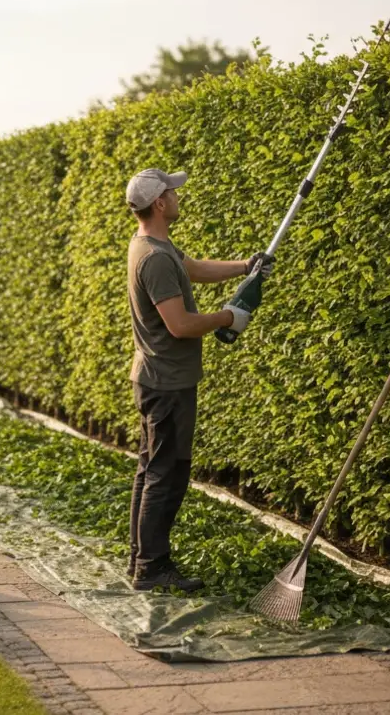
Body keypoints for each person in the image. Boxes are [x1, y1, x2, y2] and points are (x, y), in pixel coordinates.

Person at [124, 167, 273, 592]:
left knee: (151, 468)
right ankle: (152, 568)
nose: (177, 195)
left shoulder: (154, 246)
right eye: (172, 191)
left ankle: (140, 558)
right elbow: (179, 325)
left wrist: (246, 266)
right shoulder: (153, 258)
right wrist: (230, 317)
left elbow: (192, 268)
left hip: (160, 377)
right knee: (165, 474)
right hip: (167, 383)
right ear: (159, 203)